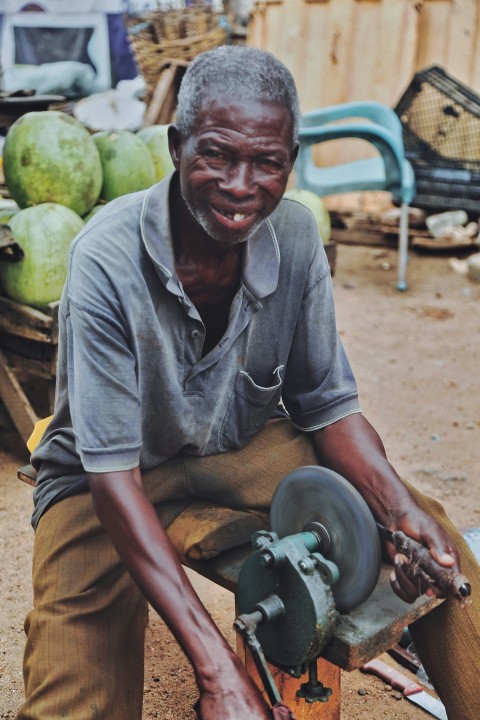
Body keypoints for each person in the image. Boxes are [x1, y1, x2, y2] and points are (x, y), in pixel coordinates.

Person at [17, 45, 479, 720]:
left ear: (291, 161)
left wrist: (394, 513)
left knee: (433, 534)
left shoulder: (294, 237)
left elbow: (327, 407)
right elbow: (113, 476)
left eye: (267, 163)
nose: (241, 185)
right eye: (217, 155)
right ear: (177, 146)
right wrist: (218, 672)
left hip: (236, 444)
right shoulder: (104, 261)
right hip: (104, 478)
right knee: (73, 699)